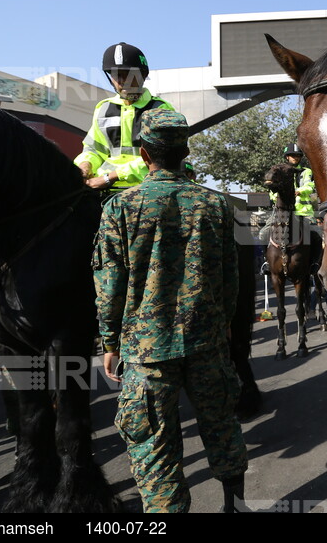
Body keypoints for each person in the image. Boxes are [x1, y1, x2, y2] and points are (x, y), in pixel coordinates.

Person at [93, 109, 247, 513]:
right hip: (208, 341)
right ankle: (236, 506)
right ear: (186, 151)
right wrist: (226, 324)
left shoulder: (120, 208)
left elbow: (110, 287)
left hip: (147, 351)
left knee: (153, 446)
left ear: (144, 154)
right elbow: (231, 276)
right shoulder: (216, 204)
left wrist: (109, 342)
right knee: (222, 427)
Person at [75, 42, 175, 193]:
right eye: (116, 75)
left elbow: (159, 158)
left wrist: (111, 177)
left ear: (143, 74)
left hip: (148, 190)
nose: (122, 81)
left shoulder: (161, 109)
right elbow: (95, 149)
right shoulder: (103, 108)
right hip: (106, 190)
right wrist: (85, 164)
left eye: (128, 74)